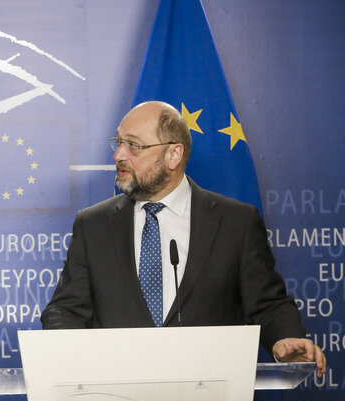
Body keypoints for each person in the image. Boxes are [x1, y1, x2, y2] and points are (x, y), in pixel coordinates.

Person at [41, 101, 326, 374]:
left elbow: (268, 304)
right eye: (119, 143)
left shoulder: (235, 223)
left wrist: (284, 339)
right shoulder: (93, 226)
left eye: (134, 146)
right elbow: (66, 310)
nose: (119, 156)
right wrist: (71, 358)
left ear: (173, 155)